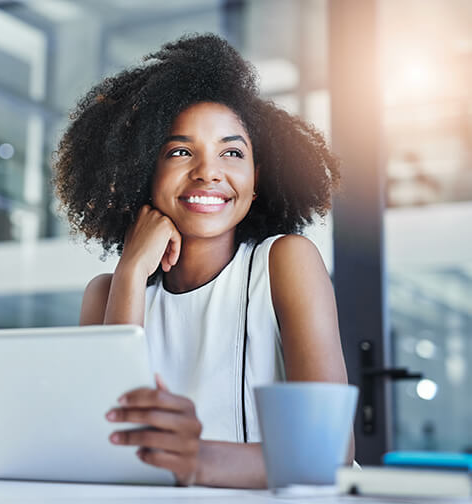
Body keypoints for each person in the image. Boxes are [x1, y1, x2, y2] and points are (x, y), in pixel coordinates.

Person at [52, 34, 352, 488]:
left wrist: (196, 460)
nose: (208, 171)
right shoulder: (106, 293)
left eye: (232, 152)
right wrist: (131, 273)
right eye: (180, 152)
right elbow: (107, 449)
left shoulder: (284, 262)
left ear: (255, 180)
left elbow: (329, 452)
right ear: (142, 173)